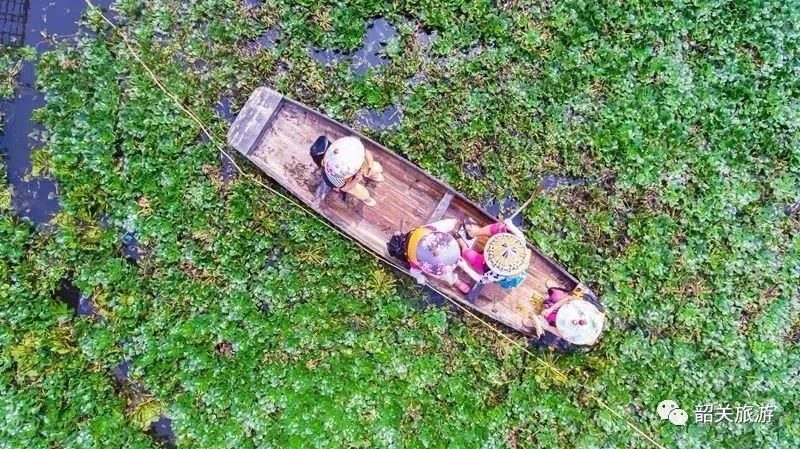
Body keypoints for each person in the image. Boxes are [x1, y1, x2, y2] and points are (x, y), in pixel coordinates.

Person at [387, 219, 480, 294]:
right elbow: (413, 271)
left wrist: (452, 223)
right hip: (415, 241)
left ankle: (452, 224)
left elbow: (442, 228)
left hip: (422, 234)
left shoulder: (432, 233)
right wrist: (420, 278)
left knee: (450, 223)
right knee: (444, 272)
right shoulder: (418, 262)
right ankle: (455, 281)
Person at [457, 218, 532, 290]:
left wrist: (465, 267)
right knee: (498, 227)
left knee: (468, 255)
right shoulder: (519, 242)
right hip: (502, 250)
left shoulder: (497, 274)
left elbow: (482, 280)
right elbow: (518, 233)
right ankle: (473, 233)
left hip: (487, 267)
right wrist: (509, 224)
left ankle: (464, 246)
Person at [526, 283, 605, 350]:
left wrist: (541, 324)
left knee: (548, 316)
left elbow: (550, 328)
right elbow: (568, 299)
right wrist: (551, 308)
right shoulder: (586, 309)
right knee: (556, 295)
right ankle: (554, 292)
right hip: (567, 305)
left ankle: (546, 306)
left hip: (561, 317)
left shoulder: (573, 335)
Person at [316, 136, 384, 207]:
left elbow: (365, 152)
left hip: (351, 169)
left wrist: (370, 165)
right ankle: (367, 198)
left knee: (376, 167)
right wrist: (356, 179)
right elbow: (344, 188)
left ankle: (374, 175)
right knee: (362, 193)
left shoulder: (350, 146)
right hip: (345, 181)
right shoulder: (333, 176)